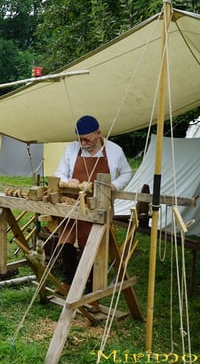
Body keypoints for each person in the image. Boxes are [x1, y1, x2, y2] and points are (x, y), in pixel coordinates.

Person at [53, 115, 132, 291]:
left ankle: (89, 284)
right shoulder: (71, 149)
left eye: (87, 139)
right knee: (66, 240)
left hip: (99, 204)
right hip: (74, 202)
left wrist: (114, 185)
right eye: (79, 139)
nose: (83, 143)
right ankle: (69, 279)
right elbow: (59, 172)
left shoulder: (114, 150)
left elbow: (127, 173)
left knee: (92, 243)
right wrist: (68, 181)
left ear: (98, 133)